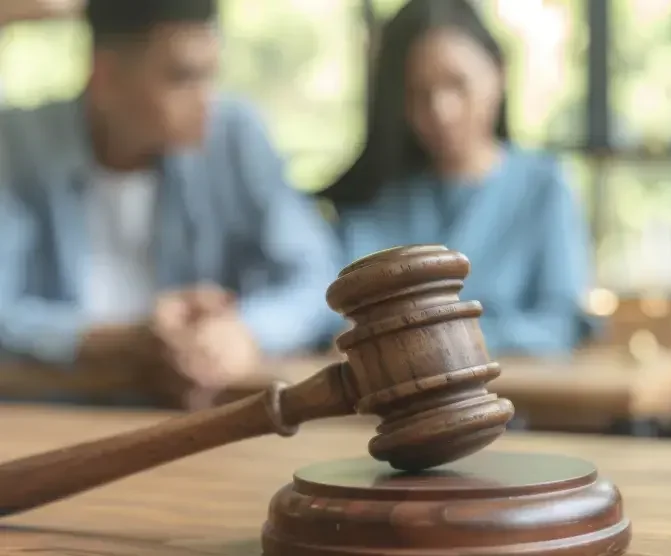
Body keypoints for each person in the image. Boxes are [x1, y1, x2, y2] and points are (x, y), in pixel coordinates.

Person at [0, 0, 338, 403]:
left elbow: (317, 277)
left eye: (212, 75)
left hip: (196, 416)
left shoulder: (234, 136)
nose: (206, 100)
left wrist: (242, 330)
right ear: (106, 78)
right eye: (182, 77)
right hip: (55, 411)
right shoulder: (17, 147)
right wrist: (126, 341)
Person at [318, 0, 596, 358]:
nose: (440, 111)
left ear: (499, 73)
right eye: (419, 94)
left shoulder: (544, 187)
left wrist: (439, 339)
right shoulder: (374, 198)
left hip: (519, 402)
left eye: (457, 84)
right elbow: (332, 317)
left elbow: (560, 326)